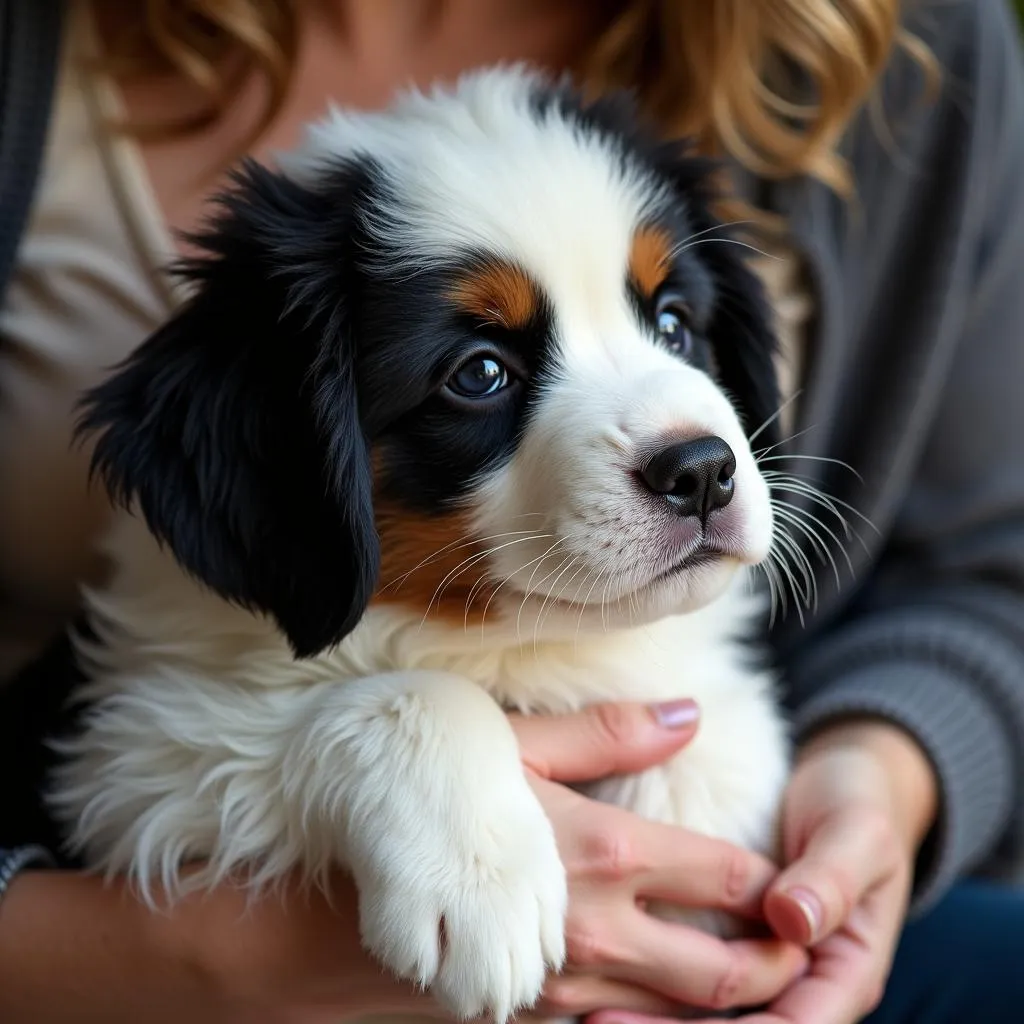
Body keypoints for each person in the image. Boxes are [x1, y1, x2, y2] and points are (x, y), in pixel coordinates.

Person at [1, 1, 1023, 1022]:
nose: (690, 445)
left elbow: (986, 573)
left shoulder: (911, 39)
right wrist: (385, 741)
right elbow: (138, 773)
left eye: (667, 318)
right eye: (479, 369)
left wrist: (876, 776)